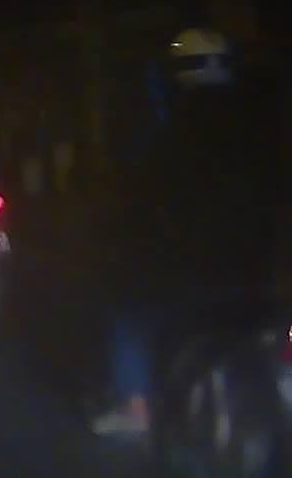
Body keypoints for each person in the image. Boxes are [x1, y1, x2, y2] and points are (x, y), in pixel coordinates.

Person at [90, 29, 279, 436]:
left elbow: (144, 195)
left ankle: (136, 407)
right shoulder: (262, 120)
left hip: (194, 270)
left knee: (129, 314)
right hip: (262, 268)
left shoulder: (170, 128)